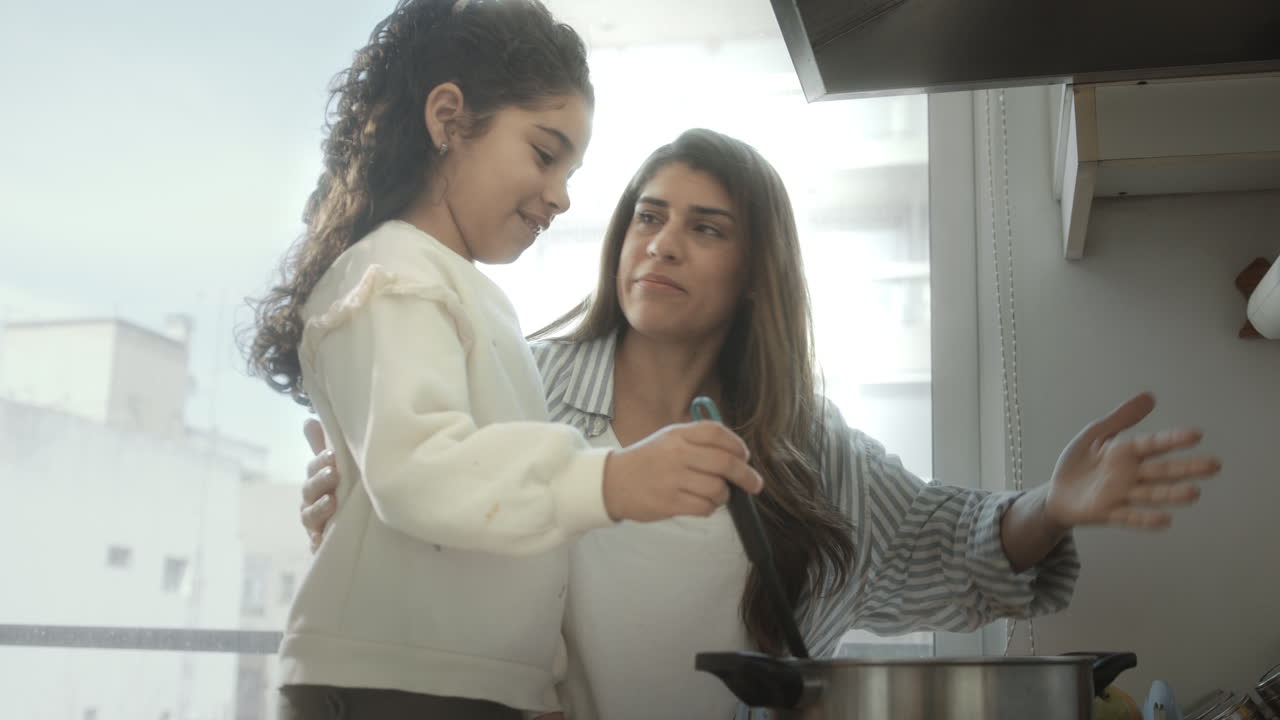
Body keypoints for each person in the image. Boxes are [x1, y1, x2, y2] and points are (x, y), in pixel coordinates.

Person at [298, 128, 1221, 719]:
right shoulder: (516, 385)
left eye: (706, 228)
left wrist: (1052, 508)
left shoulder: (809, 450)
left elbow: (959, 547)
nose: (661, 242)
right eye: (648, 218)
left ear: (755, 273)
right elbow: (422, 495)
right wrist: (353, 492)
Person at [244, 2, 764, 717]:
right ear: (449, 119)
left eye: (571, 169)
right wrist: (612, 479)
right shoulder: (393, 273)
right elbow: (421, 470)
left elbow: (495, 546)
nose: (561, 195)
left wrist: (535, 681)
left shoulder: (462, 291)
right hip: (392, 686)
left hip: (454, 686)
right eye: (546, 154)